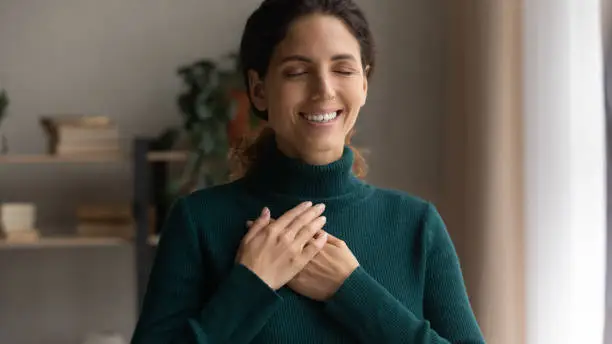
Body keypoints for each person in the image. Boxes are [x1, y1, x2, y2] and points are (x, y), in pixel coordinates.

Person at [131, 0, 486, 343]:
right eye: (297, 72)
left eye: (343, 70)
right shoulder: (198, 223)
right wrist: (250, 285)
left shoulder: (416, 225)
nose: (324, 89)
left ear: (363, 84)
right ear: (258, 91)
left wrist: (352, 290)